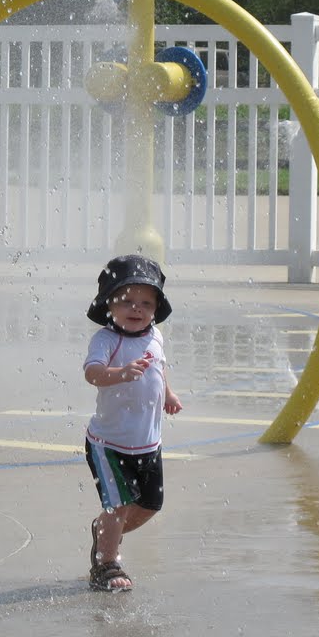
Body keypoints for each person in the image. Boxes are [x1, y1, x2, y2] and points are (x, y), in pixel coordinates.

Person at [82, 254, 183, 593]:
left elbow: (160, 366)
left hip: (147, 442)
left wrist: (168, 393)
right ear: (108, 304)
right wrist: (119, 374)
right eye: (127, 301)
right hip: (108, 445)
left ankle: (104, 530)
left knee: (151, 505)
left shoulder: (155, 337)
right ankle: (106, 565)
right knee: (119, 504)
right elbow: (92, 373)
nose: (136, 308)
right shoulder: (106, 341)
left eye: (146, 302)